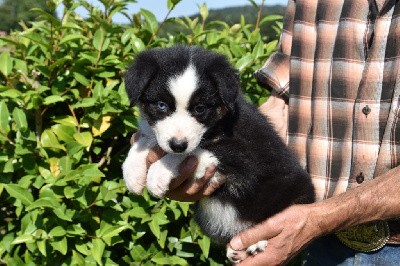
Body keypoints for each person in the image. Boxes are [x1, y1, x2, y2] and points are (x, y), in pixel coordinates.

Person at [132, 0, 400, 264]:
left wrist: (319, 218)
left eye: (199, 109)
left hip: (328, 227)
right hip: (310, 242)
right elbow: (279, 106)